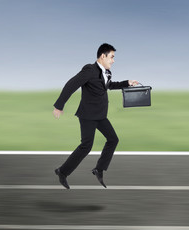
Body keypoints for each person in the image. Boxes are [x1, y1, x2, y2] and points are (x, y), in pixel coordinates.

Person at [52, 43, 138, 189]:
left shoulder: (106, 72)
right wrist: (59, 105)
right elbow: (71, 84)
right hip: (88, 115)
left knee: (113, 139)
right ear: (103, 56)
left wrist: (126, 83)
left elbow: (108, 85)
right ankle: (62, 172)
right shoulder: (89, 70)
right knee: (86, 146)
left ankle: (99, 169)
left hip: (100, 115)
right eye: (112, 57)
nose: (113, 60)